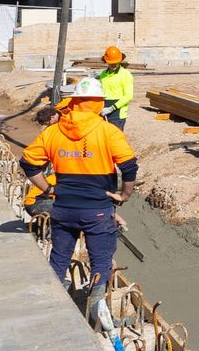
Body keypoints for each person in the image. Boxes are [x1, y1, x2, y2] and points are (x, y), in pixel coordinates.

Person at [19, 77, 137, 307]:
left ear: (74, 102)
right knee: (101, 260)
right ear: (97, 102)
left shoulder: (53, 132)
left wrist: (49, 189)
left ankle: (54, 302)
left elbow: (28, 163)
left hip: (63, 209)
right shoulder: (107, 131)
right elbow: (129, 165)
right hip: (98, 211)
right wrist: (124, 195)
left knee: (60, 257)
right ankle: (94, 305)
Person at [97, 46, 134, 130]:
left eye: (115, 62)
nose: (113, 64)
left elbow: (128, 96)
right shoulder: (103, 74)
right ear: (106, 61)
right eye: (111, 62)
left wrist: (112, 108)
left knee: (115, 140)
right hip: (103, 111)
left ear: (120, 61)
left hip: (117, 114)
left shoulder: (125, 74)